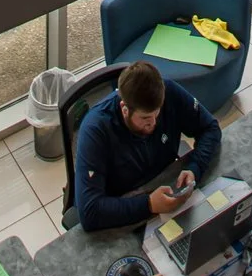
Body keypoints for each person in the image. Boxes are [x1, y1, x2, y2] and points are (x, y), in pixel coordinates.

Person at [73, 61, 222, 234]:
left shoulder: (168, 91)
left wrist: (195, 167)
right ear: (125, 109)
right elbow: (90, 211)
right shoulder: (95, 129)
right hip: (121, 205)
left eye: (157, 112)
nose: (153, 122)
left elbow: (210, 128)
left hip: (163, 184)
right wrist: (149, 204)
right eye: (145, 118)